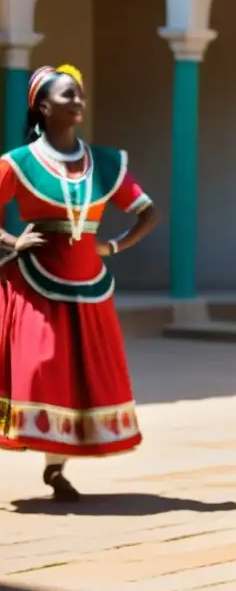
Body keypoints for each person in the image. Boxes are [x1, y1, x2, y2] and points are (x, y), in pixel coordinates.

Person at [0, 64, 159, 500]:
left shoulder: (104, 163)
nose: (78, 102)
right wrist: (13, 239)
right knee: (38, 368)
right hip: (34, 280)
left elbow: (147, 212)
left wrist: (113, 247)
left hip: (88, 280)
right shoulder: (17, 163)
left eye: (80, 95)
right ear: (43, 106)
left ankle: (55, 470)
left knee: (76, 375)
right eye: (68, 95)